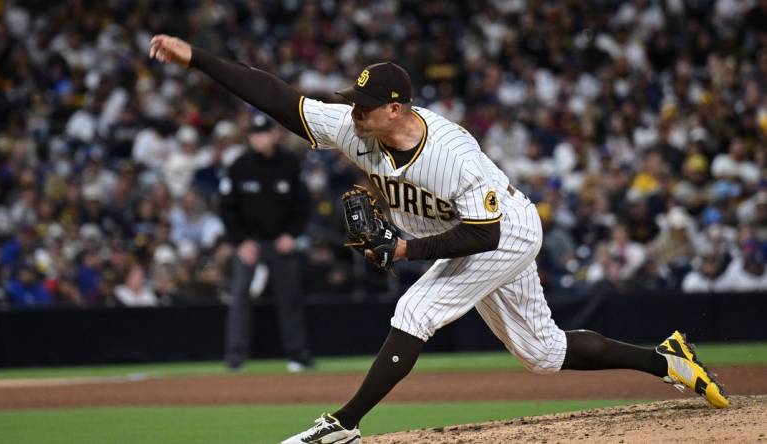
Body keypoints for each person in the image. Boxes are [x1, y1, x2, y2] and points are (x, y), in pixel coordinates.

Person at [148, 35, 729, 444]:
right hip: (467, 236)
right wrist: (196, 58)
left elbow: (483, 231)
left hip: (502, 232)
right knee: (543, 355)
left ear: (396, 108)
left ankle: (343, 424)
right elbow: (275, 96)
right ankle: (665, 361)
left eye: (365, 108)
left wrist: (403, 251)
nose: (352, 115)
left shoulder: (452, 154)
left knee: (415, 307)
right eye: (353, 104)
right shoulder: (357, 128)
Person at [218, 114, 314, 372]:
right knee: (239, 297)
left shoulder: (290, 164)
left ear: (275, 134)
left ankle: (298, 355)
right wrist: (240, 242)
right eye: (254, 134)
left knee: (290, 297)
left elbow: (303, 205)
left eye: (263, 133)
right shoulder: (239, 166)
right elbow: (227, 209)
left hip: (281, 242)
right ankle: (235, 358)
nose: (258, 138)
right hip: (249, 244)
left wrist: (292, 235)